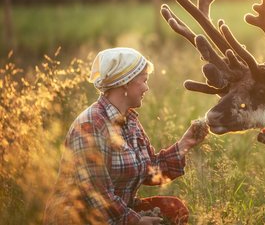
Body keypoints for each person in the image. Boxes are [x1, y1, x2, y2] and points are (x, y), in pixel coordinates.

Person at [44, 47, 209, 225]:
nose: (146, 88)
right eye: (144, 80)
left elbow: (150, 171)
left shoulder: (129, 120)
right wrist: (136, 221)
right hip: (82, 218)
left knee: (173, 208)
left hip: (117, 214)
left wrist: (186, 143)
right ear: (125, 83)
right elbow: (96, 196)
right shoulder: (91, 126)